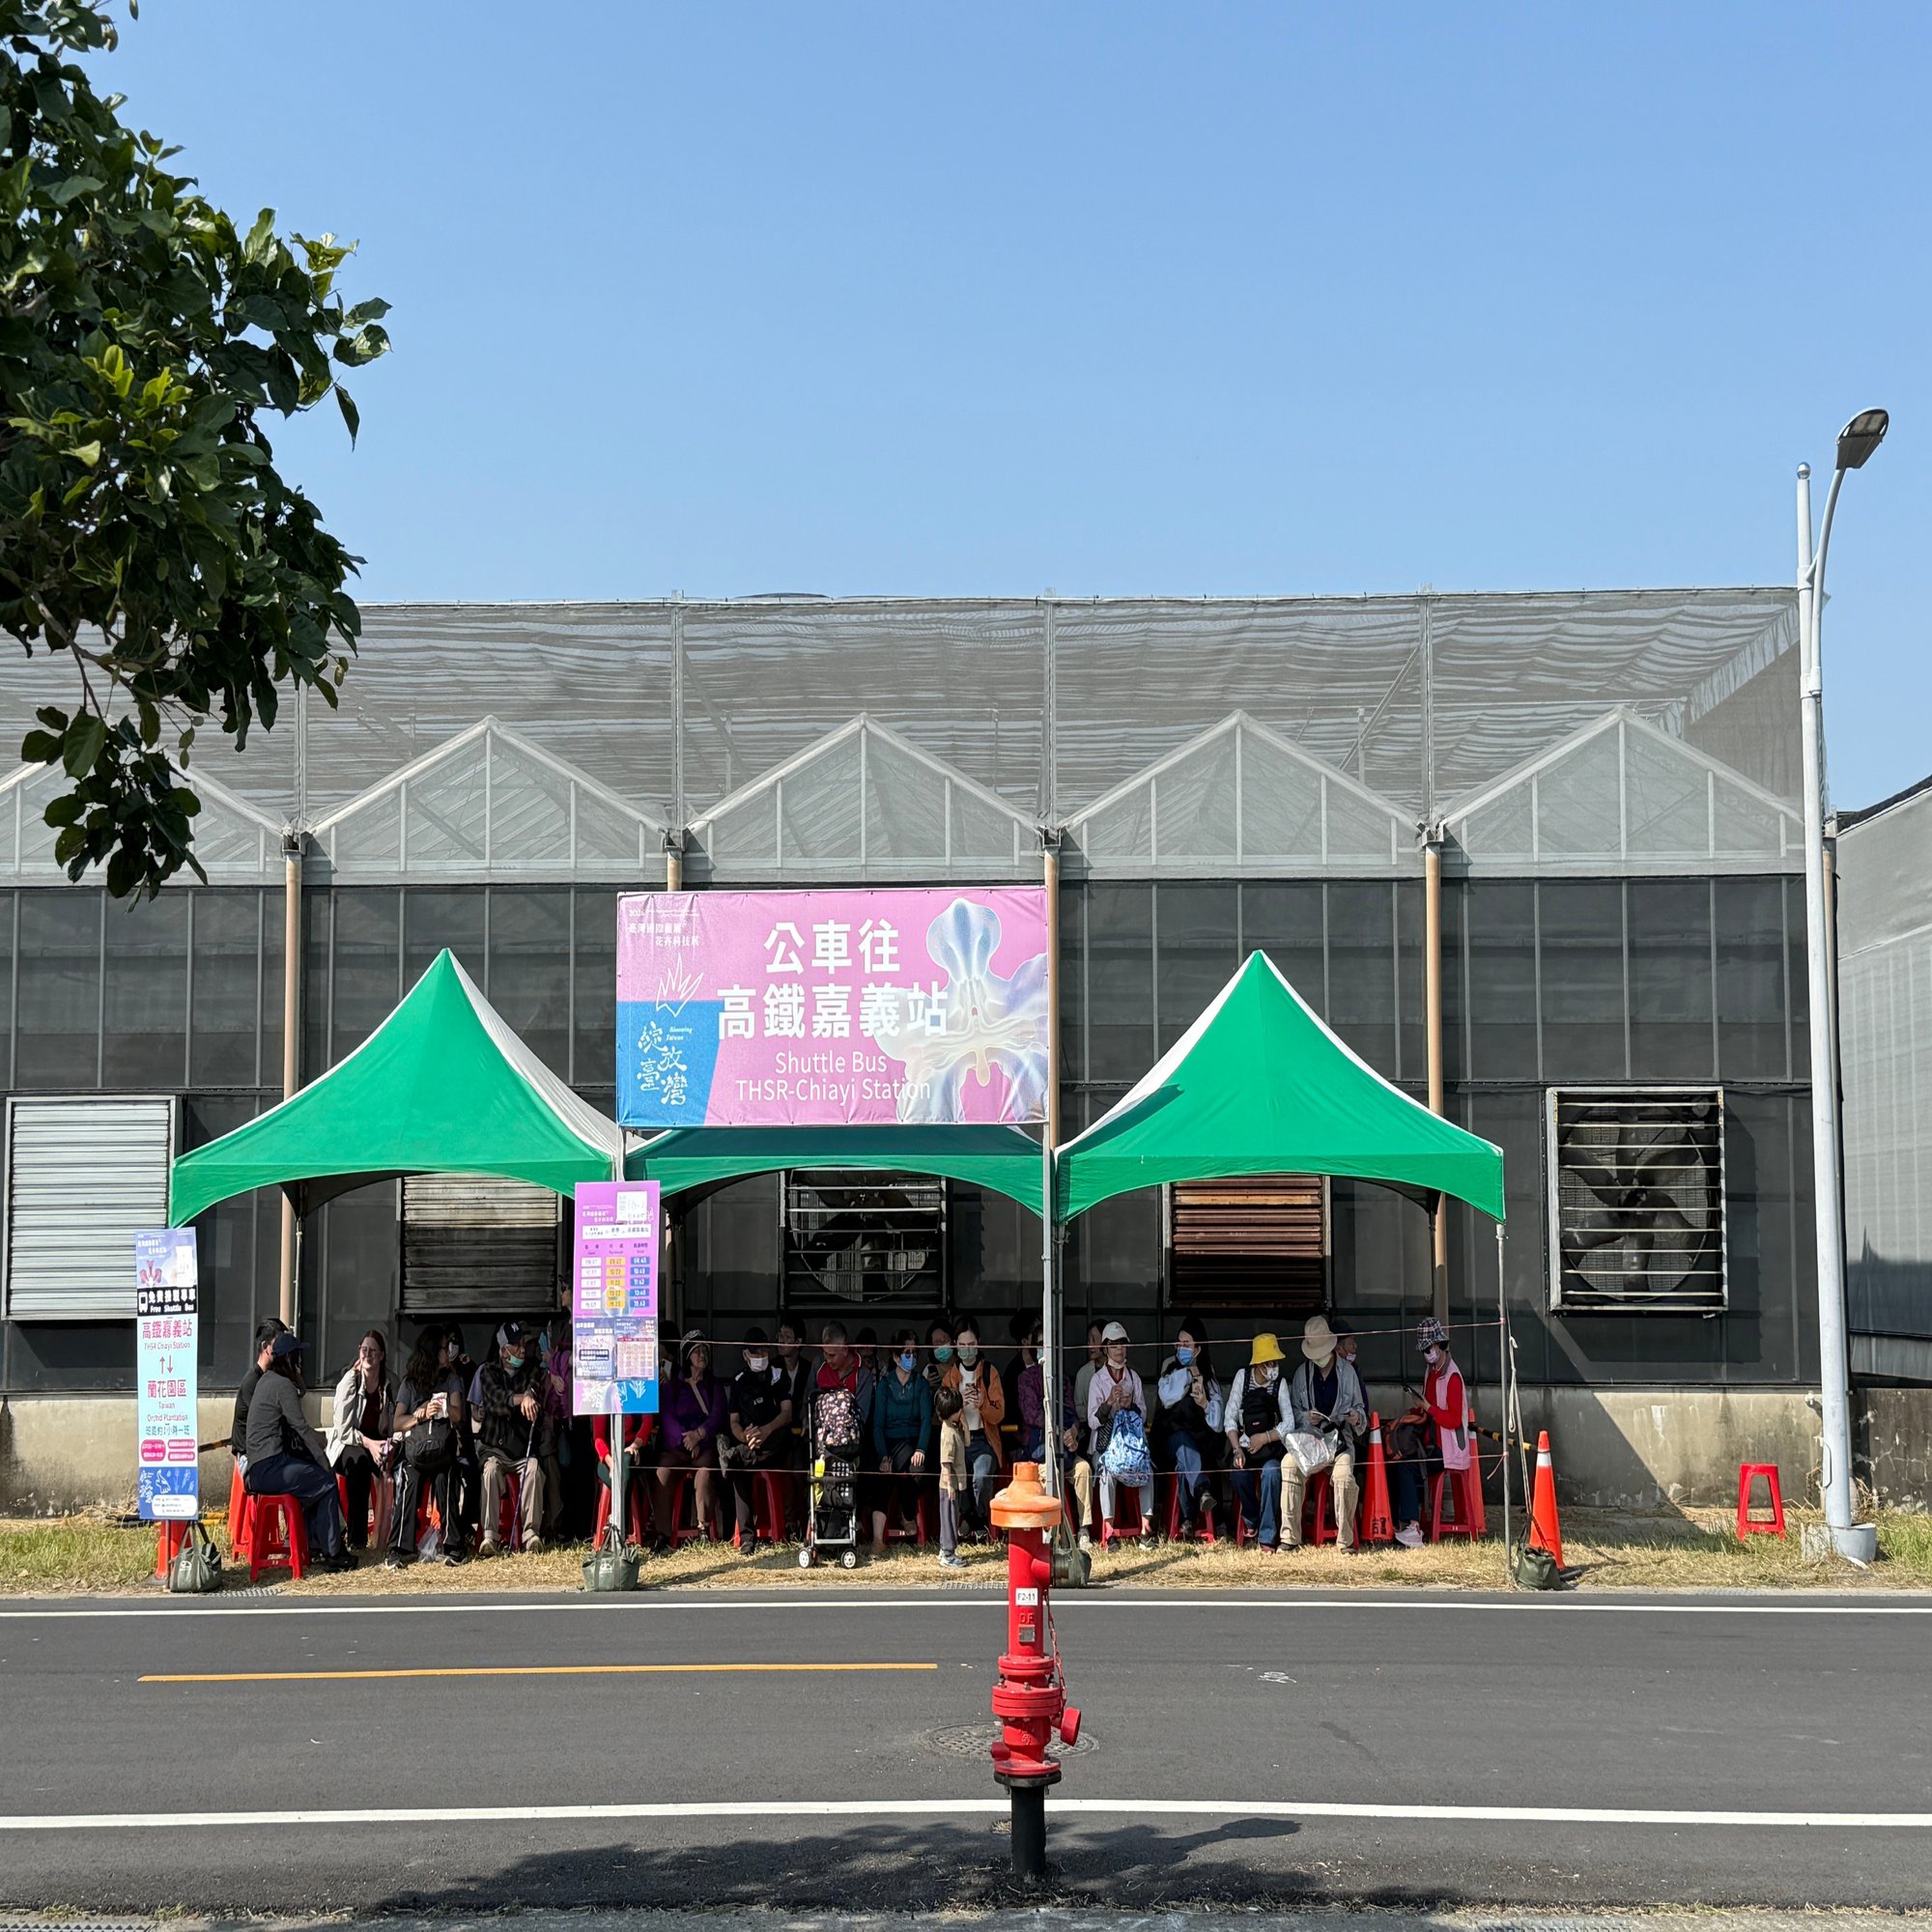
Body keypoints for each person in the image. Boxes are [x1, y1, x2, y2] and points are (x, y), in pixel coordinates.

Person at [243, 1334, 352, 1572]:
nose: (301, 1361)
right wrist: (323, 1458)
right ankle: (333, 1553)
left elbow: (299, 1402)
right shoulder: (282, 1385)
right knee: (326, 1482)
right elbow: (301, 1428)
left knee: (313, 1481)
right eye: (298, 1357)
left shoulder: (267, 1380)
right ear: (289, 1359)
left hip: (260, 1467)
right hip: (271, 1467)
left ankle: (314, 1544)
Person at [1287, 1314, 1367, 1551]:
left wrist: (1356, 1416)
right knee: (1288, 1465)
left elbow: (1361, 1409)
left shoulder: (1348, 1372)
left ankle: (1345, 1540)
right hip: (1310, 1441)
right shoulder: (1301, 1373)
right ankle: (1289, 1538)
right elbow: (1292, 1412)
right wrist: (1305, 1417)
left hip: (1340, 1441)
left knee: (1344, 1477)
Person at [389, 1324, 465, 1568]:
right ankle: (398, 1548)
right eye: (444, 1347)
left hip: (443, 1451)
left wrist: (444, 1407)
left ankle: (454, 1546)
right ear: (433, 1352)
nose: (449, 1351)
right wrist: (418, 1415)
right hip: (416, 1452)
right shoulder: (409, 1383)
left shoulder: (452, 1379)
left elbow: (459, 1415)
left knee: (447, 1477)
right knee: (409, 1478)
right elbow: (397, 1422)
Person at [1012, 1319, 1094, 1544]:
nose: (1045, 1348)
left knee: (1084, 1469)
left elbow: (1073, 1413)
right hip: (1038, 1453)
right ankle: (1055, 1531)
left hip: (1065, 1451)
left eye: (1049, 1344)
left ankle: (1084, 1529)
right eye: (1041, 1344)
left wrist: (1073, 1431)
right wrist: (1058, 1431)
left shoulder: (1063, 1379)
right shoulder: (1026, 1378)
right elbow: (1031, 1414)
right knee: (1051, 1473)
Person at [475, 1321, 551, 1554]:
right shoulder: (488, 1372)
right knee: (490, 1471)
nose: (522, 1349)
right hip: (494, 1449)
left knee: (534, 1470)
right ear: (503, 1351)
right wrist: (522, 1399)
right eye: (516, 1345)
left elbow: (534, 1387)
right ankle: (490, 1537)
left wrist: (530, 1395)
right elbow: (496, 1401)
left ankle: (531, 1535)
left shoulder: (531, 1369)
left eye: (523, 1344)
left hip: (522, 1452)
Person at [1392, 1316, 1466, 1548]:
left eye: (1428, 1348)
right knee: (1395, 1460)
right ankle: (1398, 1521)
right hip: (1430, 1443)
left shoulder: (1452, 1376)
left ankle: (1413, 1527)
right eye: (1423, 1350)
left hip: (1448, 1449)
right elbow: (1429, 1407)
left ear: (1439, 1345)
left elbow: (1453, 1419)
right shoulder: (1431, 1371)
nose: (1426, 1354)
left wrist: (1426, 1407)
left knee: (1406, 1466)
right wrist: (1417, 1408)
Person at [654, 1330, 728, 1544]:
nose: (702, 1355)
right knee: (662, 1473)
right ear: (687, 1356)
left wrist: (699, 1435)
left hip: (703, 1445)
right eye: (697, 1351)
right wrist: (685, 1441)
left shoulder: (713, 1385)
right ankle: (663, 1534)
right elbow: (667, 1416)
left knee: (705, 1474)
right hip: (679, 1446)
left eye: (704, 1350)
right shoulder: (674, 1385)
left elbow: (717, 1415)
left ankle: (703, 1529)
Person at [724, 1326, 792, 1556]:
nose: (761, 1356)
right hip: (749, 1440)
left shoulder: (778, 1375)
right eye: (755, 1352)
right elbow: (733, 1421)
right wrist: (746, 1436)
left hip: (775, 1440)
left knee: (739, 1457)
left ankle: (740, 1454)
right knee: (737, 1468)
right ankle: (746, 1538)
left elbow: (787, 1413)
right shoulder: (738, 1380)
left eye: (764, 1351)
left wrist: (766, 1430)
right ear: (746, 1354)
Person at [1087, 1321, 1155, 1548]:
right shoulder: (1097, 1380)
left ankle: (1146, 1529)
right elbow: (1092, 1420)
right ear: (1106, 1348)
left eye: (1123, 1344)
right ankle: (1109, 1530)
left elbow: (1143, 1415)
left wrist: (1129, 1405)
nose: (1119, 1349)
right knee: (1106, 1470)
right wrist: (1108, 1403)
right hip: (1106, 1445)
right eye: (1114, 1345)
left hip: (1131, 1444)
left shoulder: (1133, 1378)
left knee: (1146, 1467)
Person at [327, 1328, 395, 1552]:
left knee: (399, 1466)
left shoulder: (390, 1383)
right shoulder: (350, 1381)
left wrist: (390, 1445)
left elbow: (395, 1422)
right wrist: (369, 1444)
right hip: (349, 1444)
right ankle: (357, 1539)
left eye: (373, 1351)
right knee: (360, 1464)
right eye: (364, 1350)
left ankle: (394, 1535)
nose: (368, 1355)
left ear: (382, 1355)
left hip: (379, 1443)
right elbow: (343, 1430)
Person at [1154, 1318, 1224, 1539]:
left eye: (1187, 1343)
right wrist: (1188, 1373)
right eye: (1179, 1343)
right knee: (1182, 1444)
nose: (1181, 1347)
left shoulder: (1209, 1378)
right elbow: (1166, 1398)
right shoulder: (1171, 1369)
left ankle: (1187, 1521)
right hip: (1171, 1443)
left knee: (1185, 1462)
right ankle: (1202, 1489)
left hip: (1200, 1445)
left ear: (1198, 1348)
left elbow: (1218, 1423)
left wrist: (1204, 1404)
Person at [1224, 1332, 1293, 1551]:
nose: (1273, 1367)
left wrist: (1265, 1437)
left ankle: (1267, 1536)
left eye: (1275, 1362)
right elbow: (1229, 1418)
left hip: (1270, 1450)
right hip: (1244, 1447)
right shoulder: (1242, 1377)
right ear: (1258, 1364)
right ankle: (1251, 1516)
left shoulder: (1280, 1384)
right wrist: (1237, 1450)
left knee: (1272, 1474)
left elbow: (1289, 1422)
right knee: (1238, 1473)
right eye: (1268, 1363)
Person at [868, 1327, 934, 1547]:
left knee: (919, 1470)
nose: (912, 1357)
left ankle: (907, 1512)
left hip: (914, 1443)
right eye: (907, 1353)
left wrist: (921, 1448)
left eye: (914, 1353)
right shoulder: (885, 1386)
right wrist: (883, 1455)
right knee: (882, 1477)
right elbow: (878, 1425)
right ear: (896, 1357)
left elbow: (926, 1421)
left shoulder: (921, 1384)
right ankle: (877, 1540)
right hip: (889, 1444)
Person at [942, 1317, 1006, 1534]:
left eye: (971, 1344)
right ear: (955, 1345)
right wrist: (958, 1403)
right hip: (959, 1438)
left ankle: (977, 1519)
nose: (967, 1349)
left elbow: (999, 1414)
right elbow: (943, 1414)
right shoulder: (951, 1376)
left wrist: (982, 1403)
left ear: (978, 1343)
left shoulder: (989, 1372)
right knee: (958, 1479)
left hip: (983, 1439)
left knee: (981, 1477)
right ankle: (975, 1522)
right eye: (962, 1344)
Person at [230, 1319, 288, 1472]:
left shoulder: (272, 1377)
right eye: (278, 1344)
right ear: (265, 1346)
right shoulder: (252, 1382)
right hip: (249, 1456)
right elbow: (267, 1422)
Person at [592, 1409, 657, 1544]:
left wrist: (634, 1446)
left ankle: (617, 1525)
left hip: (636, 1450)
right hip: (608, 1457)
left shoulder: (638, 1396)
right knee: (622, 1469)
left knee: (626, 1462)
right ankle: (620, 1527)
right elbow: (598, 1437)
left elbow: (647, 1422)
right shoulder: (605, 1399)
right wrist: (611, 1463)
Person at [934, 1383, 969, 1571]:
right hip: (949, 1485)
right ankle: (948, 1553)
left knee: (951, 1516)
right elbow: (945, 1462)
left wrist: (965, 1425)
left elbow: (967, 1443)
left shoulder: (954, 1428)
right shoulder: (948, 1433)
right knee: (949, 1518)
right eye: (959, 1410)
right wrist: (949, 1485)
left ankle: (945, 1550)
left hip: (956, 1483)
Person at [1071, 1320, 1106, 1425]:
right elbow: (1078, 1408)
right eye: (1088, 1340)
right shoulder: (1083, 1373)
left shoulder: (1119, 1371)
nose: (1090, 1345)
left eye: (1094, 1340)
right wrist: (1095, 1412)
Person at [922, 1317, 955, 1394]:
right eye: (936, 1344)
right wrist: (928, 1386)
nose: (941, 1347)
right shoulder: (928, 1370)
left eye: (943, 1341)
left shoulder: (962, 1365)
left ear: (952, 1340)